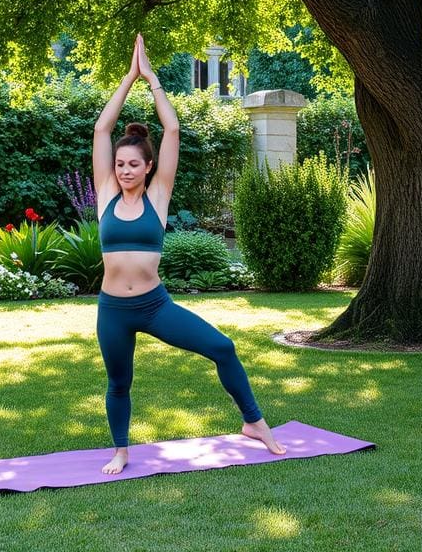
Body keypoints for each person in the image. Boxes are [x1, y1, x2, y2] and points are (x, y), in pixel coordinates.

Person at [92, 33, 284, 474]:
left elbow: (172, 129)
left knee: (222, 347)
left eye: (133, 164)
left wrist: (153, 79)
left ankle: (254, 422)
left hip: (155, 305)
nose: (124, 170)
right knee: (120, 382)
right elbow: (103, 129)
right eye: (120, 164)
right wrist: (127, 77)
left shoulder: (159, 194)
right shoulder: (105, 191)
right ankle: (120, 449)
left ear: (148, 167)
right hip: (113, 309)